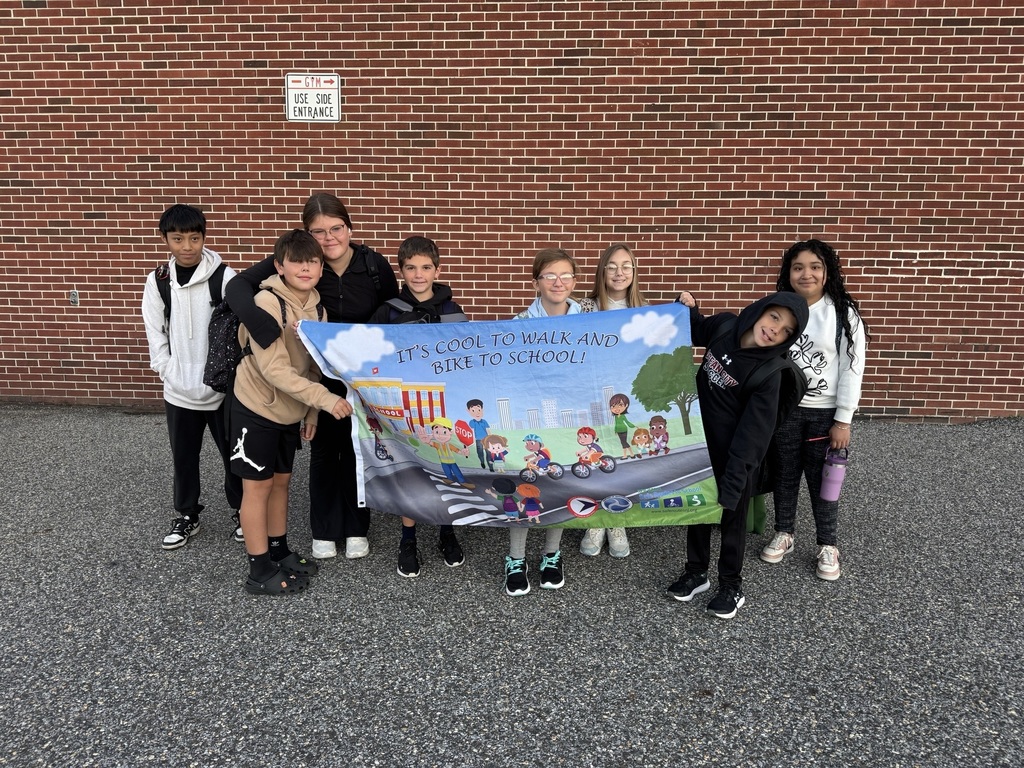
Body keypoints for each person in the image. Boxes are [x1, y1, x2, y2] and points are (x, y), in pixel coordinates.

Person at [225, 193, 398, 561]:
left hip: (358, 378)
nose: (329, 237)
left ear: (349, 229)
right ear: (305, 235)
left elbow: (392, 316)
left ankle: (355, 527)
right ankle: (323, 529)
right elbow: (237, 286)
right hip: (309, 381)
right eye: (318, 231)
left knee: (357, 452)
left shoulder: (373, 265)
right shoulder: (294, 269)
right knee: (322, 453)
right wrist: (259, 325)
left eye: (336, 228)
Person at [667, 290, 809, 619]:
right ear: (760, 311)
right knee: (698, 512)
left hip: (736, 458)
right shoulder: (727, 327)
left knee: (732, 520)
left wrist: (735, 477)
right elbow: (697, 328)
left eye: (786, 329)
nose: (775, 329)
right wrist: (688, 308)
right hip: (701, 448)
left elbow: (754, 433)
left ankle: (731, 584)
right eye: (775, 317)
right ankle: (696, 572)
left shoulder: (769, 372)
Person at [230, 230, 352, 595]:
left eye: (312, 261)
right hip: (256, 406)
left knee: (281, 481)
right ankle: (258, 569)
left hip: (289, 411)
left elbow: (317, 364)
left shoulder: (318, 307)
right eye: (297, 261)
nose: (306, 268)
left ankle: (279, 550)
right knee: (257, 487)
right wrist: (326, 401)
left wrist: (310, 414)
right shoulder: (267, 302)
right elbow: (275, 370)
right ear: (279, 266)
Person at [760, 239, 868, 581]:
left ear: (827, 272)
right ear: (788, 274)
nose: (806, 274)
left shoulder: (842, 314)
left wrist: (843, 419)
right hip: (785, 410)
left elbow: (853, 368)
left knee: (824, 481)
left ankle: (827, 544)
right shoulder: (781, 310)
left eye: (815, 267)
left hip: (825, 413)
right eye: (797, 267)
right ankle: (785, 532)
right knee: (785, 473)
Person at [141, 204, 243, 550]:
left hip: (219, 389)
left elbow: (240, 329)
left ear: (204, 238)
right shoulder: (159, 281)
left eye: (194, 238)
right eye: (178, 238)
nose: (186, 246)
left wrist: (230, 377)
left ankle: (243, 511)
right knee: (183, 458)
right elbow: (155, 331)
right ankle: (187, 515)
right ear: (166, 239)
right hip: (179, 391)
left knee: (234, 455)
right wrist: (168, 370)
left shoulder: (224, 277)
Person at [367, 236, 467, 578]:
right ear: (401, 270)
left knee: (444, 467)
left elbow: (467, 363)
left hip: (443, 404)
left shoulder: (455, 313)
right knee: (411, 470)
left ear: (437, 270)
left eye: (426, 267)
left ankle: (446, 530)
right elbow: (365, 353)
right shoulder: (388, 311)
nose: (419, 274)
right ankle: (408, 538)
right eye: (411, 268)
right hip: (404, 406)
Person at [505, 248, 581, 596]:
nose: (558, 282)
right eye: (549, 275)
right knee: (526, 486)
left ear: (574, 281)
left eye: (565, 275)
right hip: (530, 423)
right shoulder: (520, 323)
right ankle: (516, 559)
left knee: (563, 485)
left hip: (569, 420)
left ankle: (552, 555)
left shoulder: (589, 318)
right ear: (536, 282)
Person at [577, 242, 649, 559]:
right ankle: (596, 521)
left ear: (634, 272)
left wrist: (686, 306)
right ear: (602, 271)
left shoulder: (645, 311)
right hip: (592, 396)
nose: (619, 273)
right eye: (612, 266)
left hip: (625, 399)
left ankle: (616, 521)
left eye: (626, 266)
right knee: (596, 459)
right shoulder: (584, 308)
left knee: (622, 461)